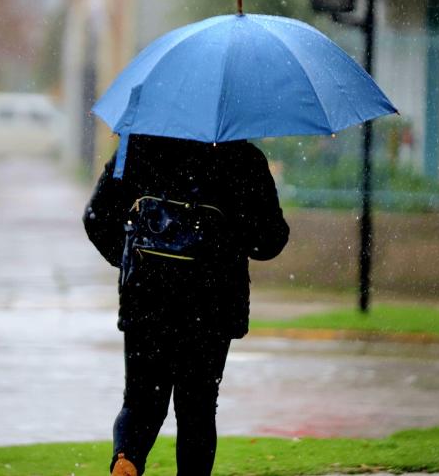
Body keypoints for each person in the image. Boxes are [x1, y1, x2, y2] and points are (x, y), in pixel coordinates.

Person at [83, 134, 289, 476]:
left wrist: (132, 259)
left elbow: (96, 217)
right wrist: (232, 231)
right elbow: (270, 240)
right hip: (211, 305)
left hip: (146, 298)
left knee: (141, 401)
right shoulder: (242, 158)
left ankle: (127, 458)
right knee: (198, 409)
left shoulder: (138, 146)